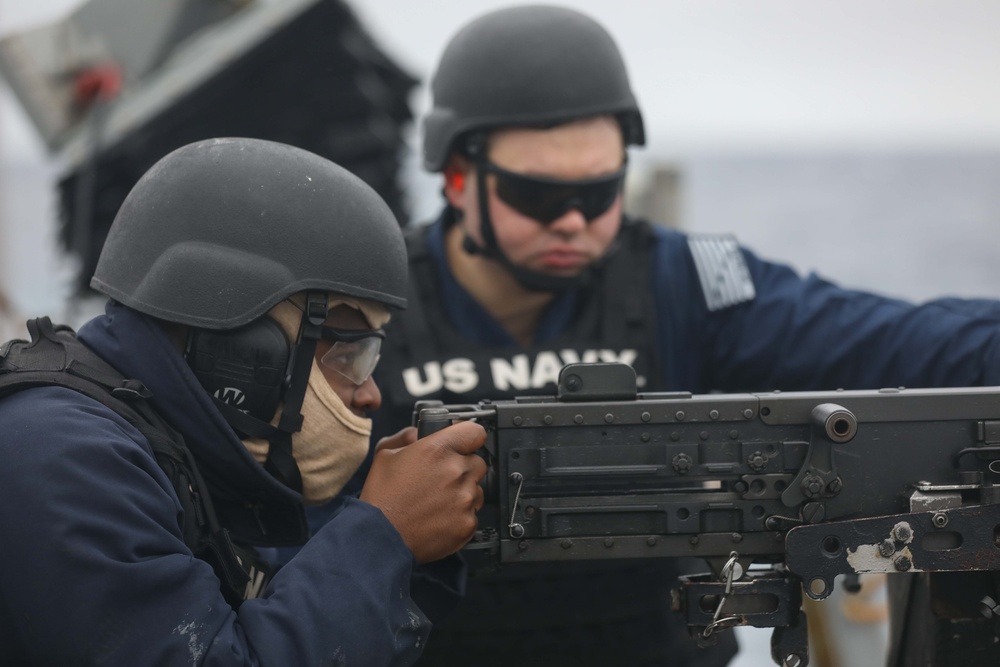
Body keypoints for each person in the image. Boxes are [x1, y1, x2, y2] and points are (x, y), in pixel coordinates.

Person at [358, 5, 1000, 666]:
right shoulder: (369, 303)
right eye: (540, 196)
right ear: (458, 176)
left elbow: (901, 342)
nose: (576, 221)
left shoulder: (682, 281)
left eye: (601, 190)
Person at [0, 136, 487, 666]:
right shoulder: (59, 453)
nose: (370, 394)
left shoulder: (180, 452)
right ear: (239, 350)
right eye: (348, 354)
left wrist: (414, 550)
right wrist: (385, 534)